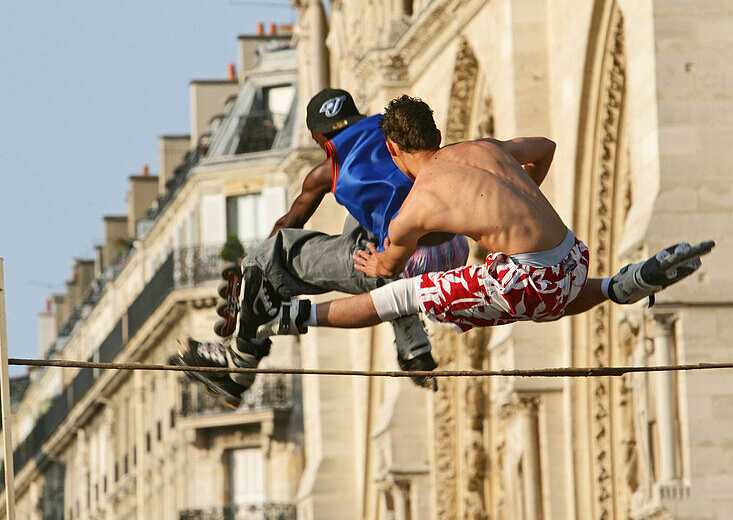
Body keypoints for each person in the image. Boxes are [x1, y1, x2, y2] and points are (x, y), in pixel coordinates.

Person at [238, 95, 713, 341]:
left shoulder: (418, 206)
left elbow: (385, 270)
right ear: (438, 134)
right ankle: (623, 284)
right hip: (572, 259)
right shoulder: (485, 148)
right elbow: (545, 149)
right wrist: (523, 196)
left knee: (402, 295)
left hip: (535, 279)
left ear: (393, 148)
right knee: (537, 295)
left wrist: (375, 262)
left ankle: (284, 317)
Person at [174, 89, 469, 405]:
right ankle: (413, 346)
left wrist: (251, 268)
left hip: (398, 263)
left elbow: (289, 224)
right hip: (452, 250)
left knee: (272, 254)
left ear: (319, 137)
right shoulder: (393, 135)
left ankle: (240, 362)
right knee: (366, 217)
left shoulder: (326, 172)